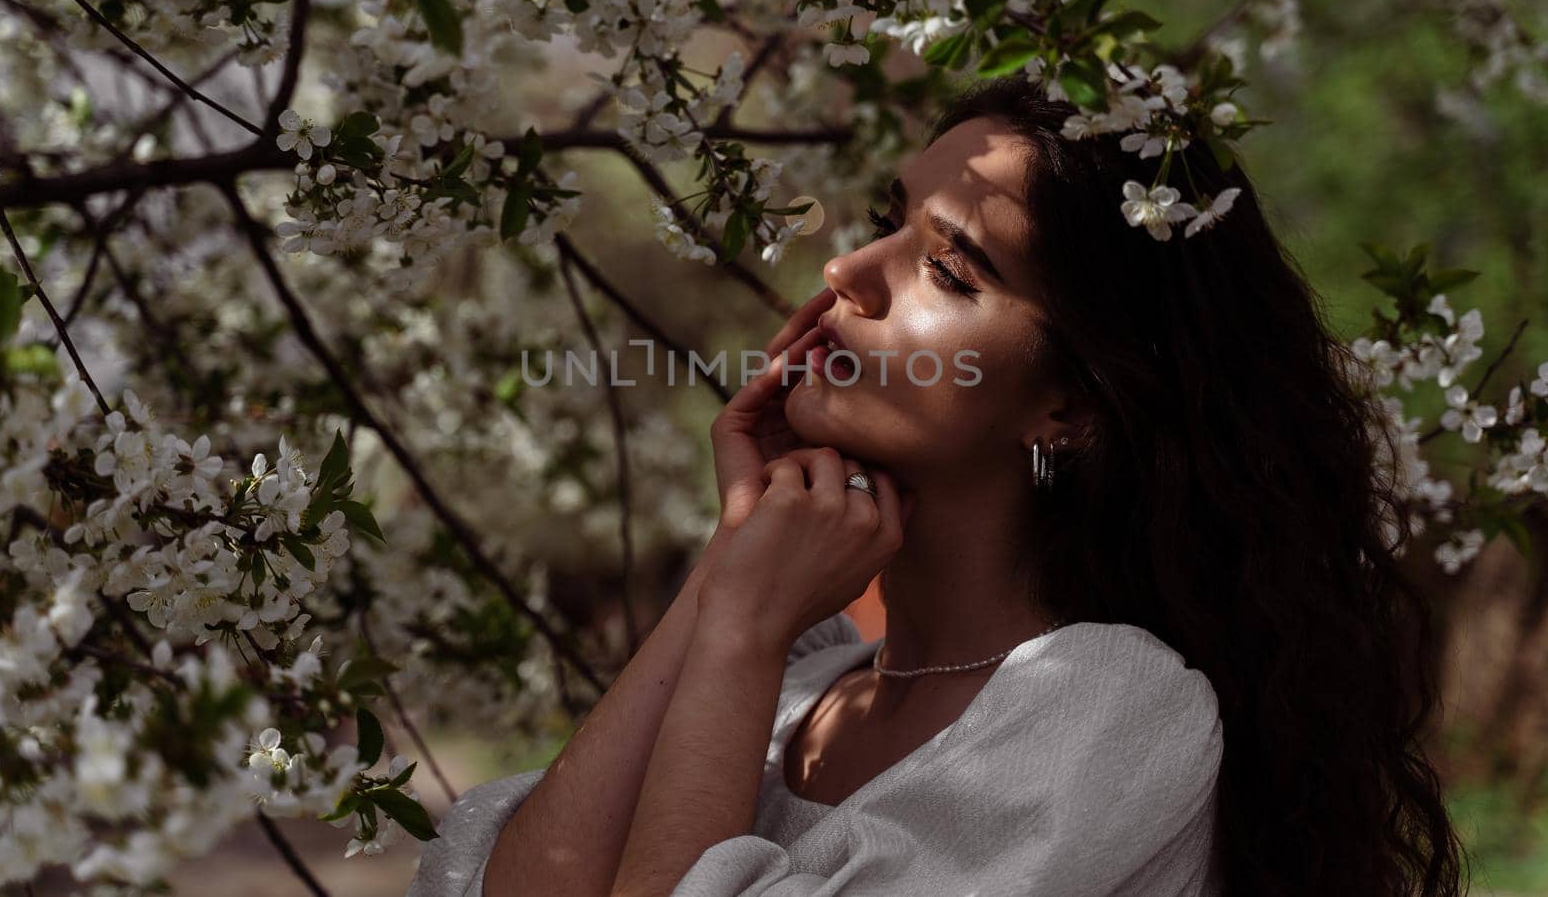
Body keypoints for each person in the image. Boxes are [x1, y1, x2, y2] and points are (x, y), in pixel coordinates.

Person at [407, 75, 1467, 896]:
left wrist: (736, 628)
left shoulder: (1103, 705)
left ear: (1071, 406)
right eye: (888, 217)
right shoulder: (789, 690)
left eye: (952, 269)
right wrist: (733, 571)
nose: (847, 271)